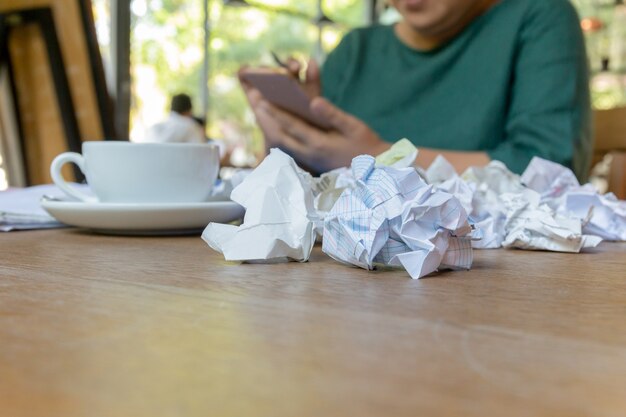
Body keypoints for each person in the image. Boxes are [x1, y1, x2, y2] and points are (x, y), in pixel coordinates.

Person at [240, 0, 592, 181]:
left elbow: (548, 169)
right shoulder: (355, 51)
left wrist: (377, 157)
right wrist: (288, 135)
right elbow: (310, 184)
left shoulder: (539, 16)